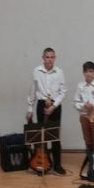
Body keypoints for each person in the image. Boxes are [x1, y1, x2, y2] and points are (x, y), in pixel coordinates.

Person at [26, 47, 68, 175]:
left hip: (55, 105)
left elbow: (63, 92)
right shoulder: (37, 71)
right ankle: (42, 164)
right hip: (42, 104)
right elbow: (33, 90)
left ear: (55, 58)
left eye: (52, 57)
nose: (50, 60)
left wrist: (53, 106)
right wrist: (30, 108)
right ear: (43, 58)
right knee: (41, 137)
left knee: (55, 137)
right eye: (47, 57)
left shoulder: (59, 72)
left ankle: (57, 165)